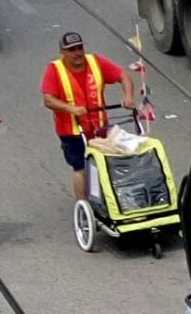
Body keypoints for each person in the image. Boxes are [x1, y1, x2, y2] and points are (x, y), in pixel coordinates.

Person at [40, 31, 134, 201]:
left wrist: (127, 96)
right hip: (72, 130)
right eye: (72, 50)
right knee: (80, 167)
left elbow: (123, 75)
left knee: (105, 161)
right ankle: (84, 204)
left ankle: (108, 199)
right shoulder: (54, 69)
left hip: (99, 126)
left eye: (80, 48)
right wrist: (71, 108)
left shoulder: (95, 62)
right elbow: (48, 100)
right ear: (63, 52)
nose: (78, 53)